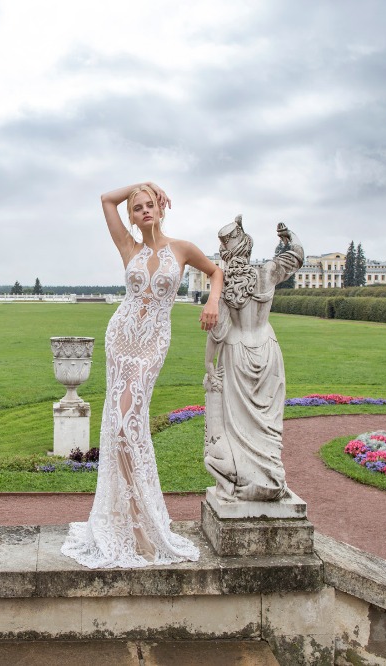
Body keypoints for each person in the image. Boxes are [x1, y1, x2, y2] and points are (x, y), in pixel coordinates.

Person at [62, 182, 223, 568]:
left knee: (128, 425)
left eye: (151, 205)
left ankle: (143, 521)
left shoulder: (182, 249)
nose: (144, 211)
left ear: (162, 209)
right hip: (121, 338)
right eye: (138, 208)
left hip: (152, 344)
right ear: (132, 217)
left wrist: (212, 300)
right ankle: (133, 524)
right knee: (119, 427)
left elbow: (216, 271)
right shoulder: (128, 248)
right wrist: (138, 184)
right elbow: (105, 199)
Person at [203, 217, 304, 502]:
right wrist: (288, 236)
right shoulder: (267, 271)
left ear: (226, 253)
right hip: (268, 348)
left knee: (240, 427)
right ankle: (271, 477)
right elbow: (296, 255)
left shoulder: (224, 284)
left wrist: (209, 365)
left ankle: (245, 480)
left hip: (237, 352)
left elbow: (218, 333)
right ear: (247, 246)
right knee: (267, 424)